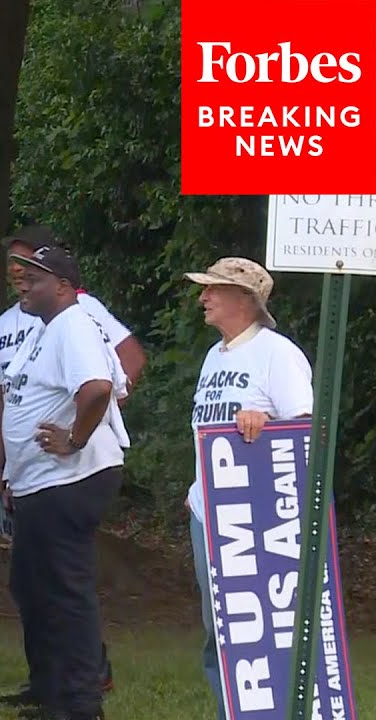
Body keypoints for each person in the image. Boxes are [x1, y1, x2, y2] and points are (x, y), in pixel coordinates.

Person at [0, 225, 140, 706]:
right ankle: (51, 690)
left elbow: (95, 389)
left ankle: (80, 702)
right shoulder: (47, 329)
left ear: (61, 284)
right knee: (33, 586)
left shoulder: (72, 324)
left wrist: (75, 439)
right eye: (21, 275)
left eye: (34, 277)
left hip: (69, 479)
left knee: (64, 590)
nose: (23, 283)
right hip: (40, 482)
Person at [184, 257, 313, 720]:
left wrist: (267, 422)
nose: (203, 298)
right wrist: (197, 489)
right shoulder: (214, 355)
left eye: (212, 289)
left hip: (253, 513)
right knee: (216, 627)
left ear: (244, 299)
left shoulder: (277, 353)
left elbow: (305, 425)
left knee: (252, 626)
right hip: (208, 510)